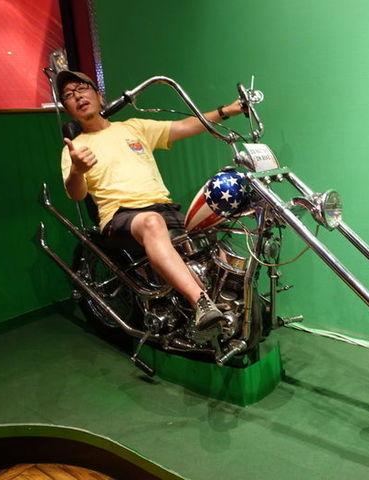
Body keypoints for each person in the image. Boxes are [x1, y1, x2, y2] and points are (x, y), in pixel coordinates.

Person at [57, 70, 243, 332]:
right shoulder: (74, 149)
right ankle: (201, 303)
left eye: (81, 88)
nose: (77, 96)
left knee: (215, 230)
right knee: (152, 222)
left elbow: (185, 126)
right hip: (119, 216)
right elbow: (76, 194)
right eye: (69, 95)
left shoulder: (133, 127)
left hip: (163, 208)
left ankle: (236, 307)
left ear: (99, 96)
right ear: (67, 109)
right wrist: (77, 170)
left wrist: (228, 111)